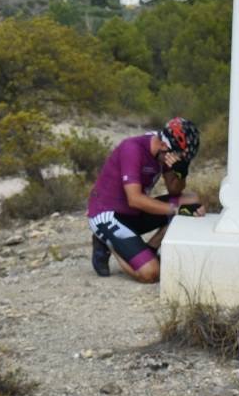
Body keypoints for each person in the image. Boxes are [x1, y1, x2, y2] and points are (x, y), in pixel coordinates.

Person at [87, 117, 204, 283]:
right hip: (107, 214)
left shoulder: (164, 152)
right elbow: (135, 199)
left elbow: (174, 189)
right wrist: (177, 211)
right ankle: (109, 244)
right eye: (178, 156)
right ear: (164, 145)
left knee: (191, 200)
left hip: (133, 213)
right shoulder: (132, 149)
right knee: (151, 273)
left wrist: (181, 171)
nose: (177, 160)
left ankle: (150, 249)